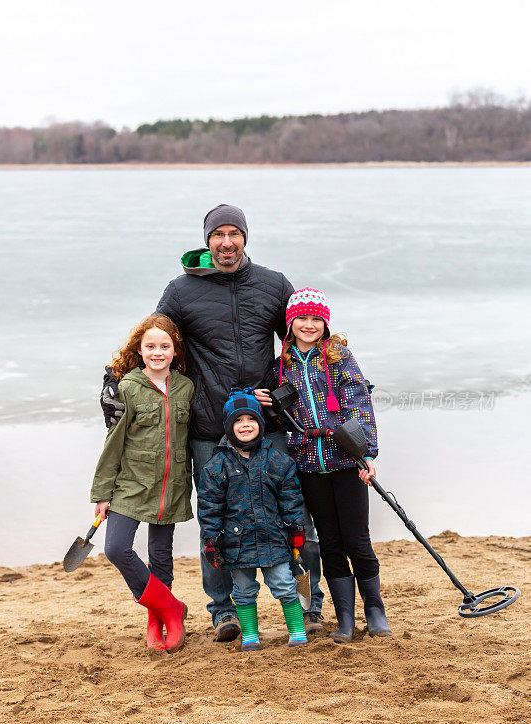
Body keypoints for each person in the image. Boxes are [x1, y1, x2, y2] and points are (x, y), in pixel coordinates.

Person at [100, 205, 324, 642]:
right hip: (208, 429)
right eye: (218, 234)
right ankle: (223, 611)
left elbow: (301, 344)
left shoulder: (274, 285)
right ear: (207, 241)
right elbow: (155, 337)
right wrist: (114, 384)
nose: (226, 242)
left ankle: (309, 604)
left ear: (245, 238)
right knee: (217, 520)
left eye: (234, 234)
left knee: (295, 513)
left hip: (268, 425)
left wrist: (281, 396)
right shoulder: (182, 291)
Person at [266, 287, 392, 642]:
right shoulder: (281, 367)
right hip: (307, 465)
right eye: (301, 319)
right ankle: (346, 618)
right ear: (290, 325)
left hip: (345, 461)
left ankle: (375, 610)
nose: (308, 325)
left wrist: (366, 454)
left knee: (357, 540)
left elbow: (359, 405)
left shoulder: (339, 357)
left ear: (325, 322)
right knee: (329, 542)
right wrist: (268, 404)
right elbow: (281, 418)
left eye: (315, 319)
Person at [91, 313, 194, 652]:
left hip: (172, 485)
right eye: (150, 346)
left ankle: (157, 619)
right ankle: (168, 607)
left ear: (175, 350)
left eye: (164, 346)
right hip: (130, 485)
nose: (157, 352)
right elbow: (113, 442)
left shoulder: (186, 387)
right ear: (139, 348)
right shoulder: (127, 388)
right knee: (116, 548)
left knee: (160, 555)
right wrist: (102, 493)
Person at [198, 387, 308, 650]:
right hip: (237, 542)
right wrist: (211, 541)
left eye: (251, 419)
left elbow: (291, 499)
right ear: (228, 426)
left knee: (283, 583)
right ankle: (250, 635)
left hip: (274, 538)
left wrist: (296, 529)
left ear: (260, 422)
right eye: (238, 420)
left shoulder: (277, 460)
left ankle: (296, 630)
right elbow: (209, 506)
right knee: (244, 590)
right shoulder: (217, 465)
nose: (245, 425)